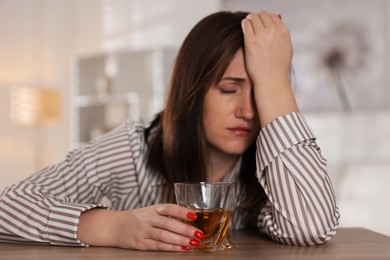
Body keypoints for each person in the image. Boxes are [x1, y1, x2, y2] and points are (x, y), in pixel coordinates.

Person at [0, 10, 340, 251]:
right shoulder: (133, 147)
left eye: (262, 93)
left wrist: (275, 82)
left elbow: (311, 226)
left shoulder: (275, 168)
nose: (248, 111)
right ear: (192, 91)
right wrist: (113, 227)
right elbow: (7, 206)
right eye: (228, 89)